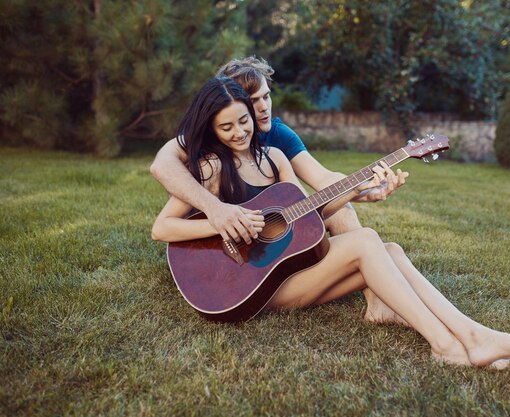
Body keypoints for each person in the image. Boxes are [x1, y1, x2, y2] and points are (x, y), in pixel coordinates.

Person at [151, 77, 510, 369]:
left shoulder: (273, 159)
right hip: (247, 288)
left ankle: (473, 337)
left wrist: (362, 190)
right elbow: (163, 229)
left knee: (390, 251)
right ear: (210, 128)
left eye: (243, 121)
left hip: (285, 275)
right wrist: (223, 220)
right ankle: (446, 345)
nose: (239, 132)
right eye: (226, 127)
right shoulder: (210, 168)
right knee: (365, 242)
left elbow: (306, 218)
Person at [150, 56, 405, 323]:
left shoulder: (278, 135)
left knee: (344, 212)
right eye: (253, 100)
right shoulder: (209, 137)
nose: (262, 108)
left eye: (266, 97)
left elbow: (324, 178)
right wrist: (215, 210)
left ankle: (377, 297)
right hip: (212, 249)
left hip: (264, 232)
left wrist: (365, 190)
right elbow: (161, 166)